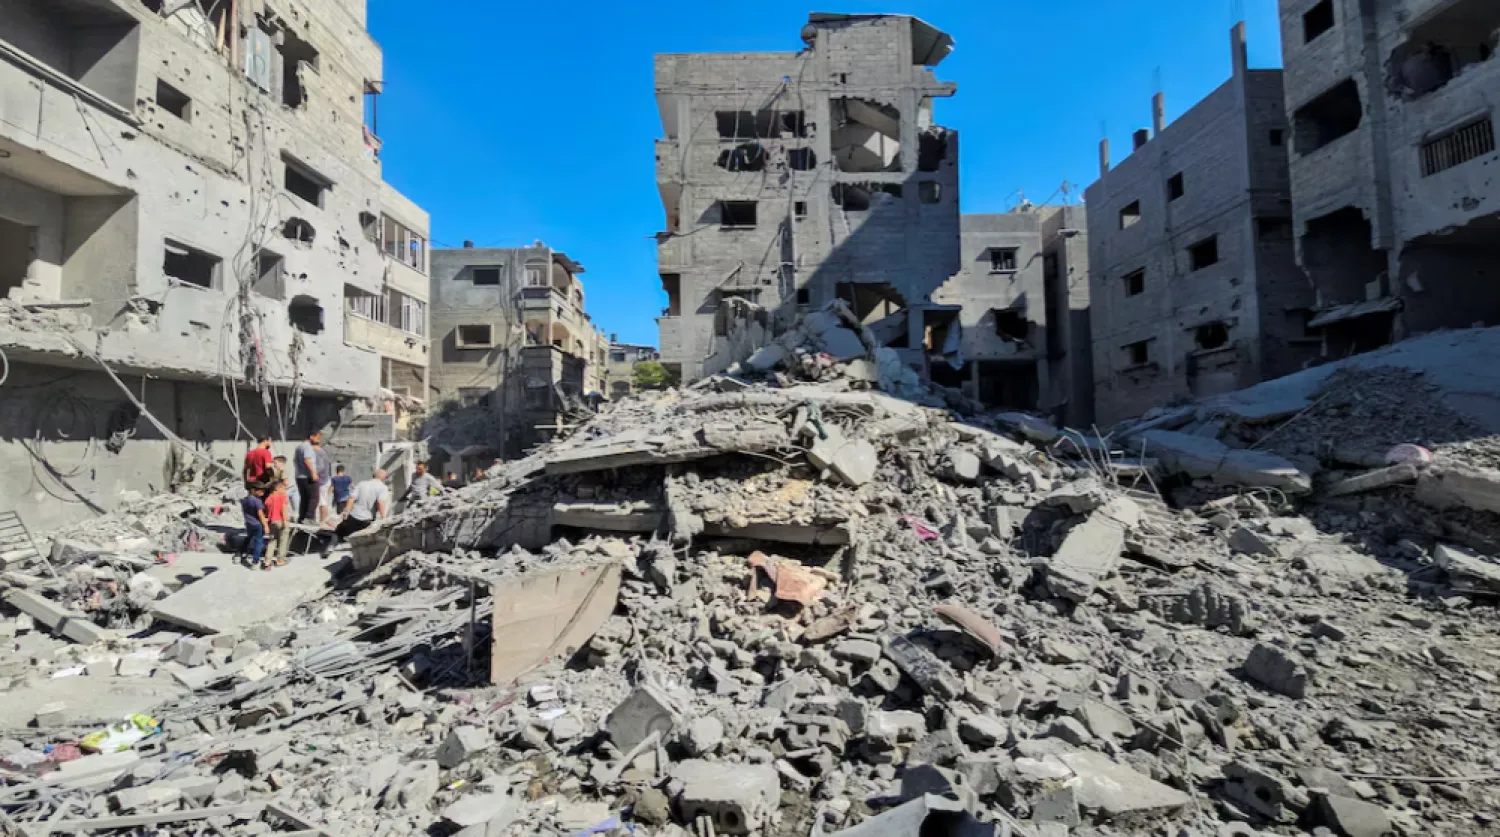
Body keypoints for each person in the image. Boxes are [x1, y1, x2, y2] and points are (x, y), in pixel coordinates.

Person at [335, 468, 390, 542]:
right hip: (366, 521)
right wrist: (384, 519)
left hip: (353, 517)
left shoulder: (362, 483)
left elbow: (351, 498)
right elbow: (380, 502)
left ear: (373, 475)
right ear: (384, 478)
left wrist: (346, 511)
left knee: (339, 532)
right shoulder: (383, 488)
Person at [294, 430, 322, 523]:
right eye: (317, 437)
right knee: (314, 497)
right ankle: (309, 518)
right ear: (311, 437)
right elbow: (307, 459)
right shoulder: (307, 447)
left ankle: (302, 517)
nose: (319, 439)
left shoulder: (299, 447)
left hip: (300, 476)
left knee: (305, 498)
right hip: (308, 476)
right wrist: (313, 473)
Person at [264, 480, 290, 568]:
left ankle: (267, 561)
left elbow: (267, 512)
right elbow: (284, 509)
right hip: (280, 521)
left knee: (272, 541)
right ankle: (280, 560)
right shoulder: (282, 496)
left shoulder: (268, 498)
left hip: (272, 522)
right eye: (283, 488)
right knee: (283, 541)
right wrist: (285, 520)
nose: (285, 489)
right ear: (277, 488)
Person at [241, 485, 269, 568]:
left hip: (248, 523)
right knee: (258, 543)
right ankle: (255, 562)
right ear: (254, 490)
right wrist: (266, 525)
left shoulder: (245, 500)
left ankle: (241, 553)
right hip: (257, 524)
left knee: (249, 538)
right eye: (261, 490)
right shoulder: (257, 501)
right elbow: (260, 514)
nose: (263, 492)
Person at [313, 440, 334, 523]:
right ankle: (323, 521)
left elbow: (318, 468)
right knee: (322, 502)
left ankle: (323, 521)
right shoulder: (323, 454)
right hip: (325, 480)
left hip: (321, 482)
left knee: (322, 502)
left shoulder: (319, 454)